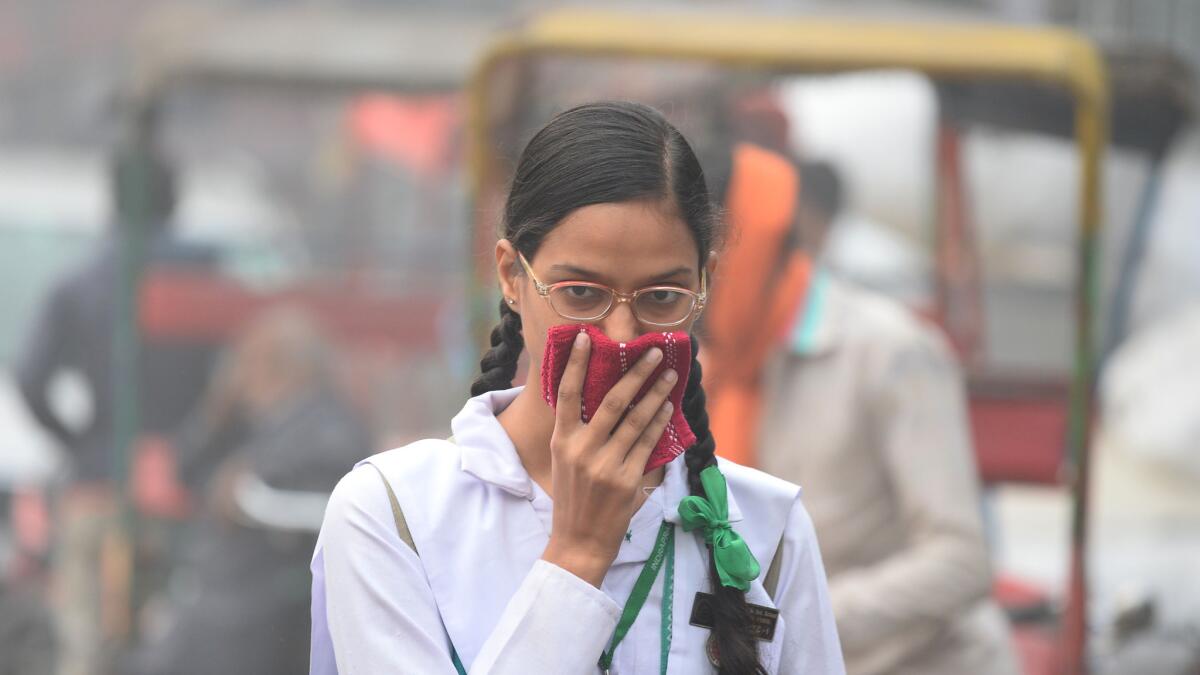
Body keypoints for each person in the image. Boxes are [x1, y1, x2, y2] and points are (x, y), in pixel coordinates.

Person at [311, 102, 844, 674]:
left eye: (661, 297)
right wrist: (577, 554)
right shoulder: (394, 513)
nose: (620, 336)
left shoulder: (766, 528)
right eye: (581, 294)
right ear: (513, 278)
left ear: (703, 287)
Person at [710, 150, 1017, 675]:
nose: (692, 292)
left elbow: (962, 561)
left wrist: (791, 613)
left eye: (703, 265)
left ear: (746, 255)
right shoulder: (714, 366)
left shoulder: (890, 352)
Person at [14, 141, 217, 675]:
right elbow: (232, 381)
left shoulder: (79, 282)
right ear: (174, 199)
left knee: (85, 648)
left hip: (96, 486)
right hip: (180, 486)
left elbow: (31, 378)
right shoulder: (206, 276)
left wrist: (79, 440)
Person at [126, 307, 372, 675]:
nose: (245, 377)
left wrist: (245, 494)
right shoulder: (263, 423)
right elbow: (186, 469)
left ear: (287, 368)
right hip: (225, 595)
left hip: (265, 603)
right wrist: (217, 409)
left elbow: (331, 507)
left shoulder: (329, 426)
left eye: (255, 364)